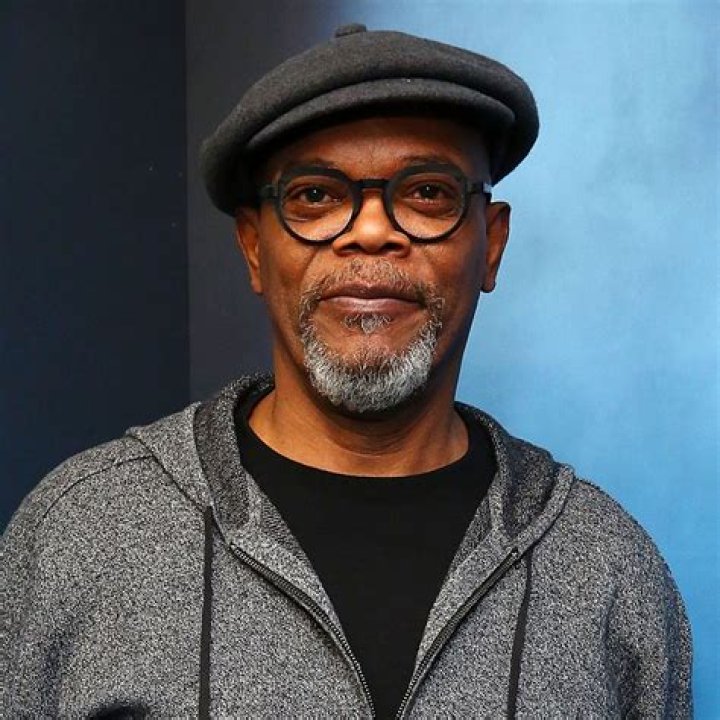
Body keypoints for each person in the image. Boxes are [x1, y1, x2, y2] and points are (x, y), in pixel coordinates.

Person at [1, 24, 691, 719]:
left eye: (427, 192)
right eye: (315, 196)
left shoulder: (608, 571)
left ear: (492, 244)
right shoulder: (82, 534)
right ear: (253, 248)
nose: (370, 231)